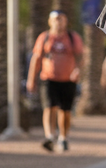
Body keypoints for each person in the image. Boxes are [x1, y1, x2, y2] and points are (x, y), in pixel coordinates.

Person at [27, 11, 84, 153]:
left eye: (62, 19)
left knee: (65, 110)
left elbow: (81, 56)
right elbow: (36, 59)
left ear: (66, 22)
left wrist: (78, 70)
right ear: (50, 21)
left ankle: (63, 137)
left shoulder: (72, 37)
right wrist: (31, 79)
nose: (59, 22)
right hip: (48, 78)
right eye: (56, 19)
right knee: (49, 106)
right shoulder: (44, 37)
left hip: (68, 79)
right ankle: (50, 136)